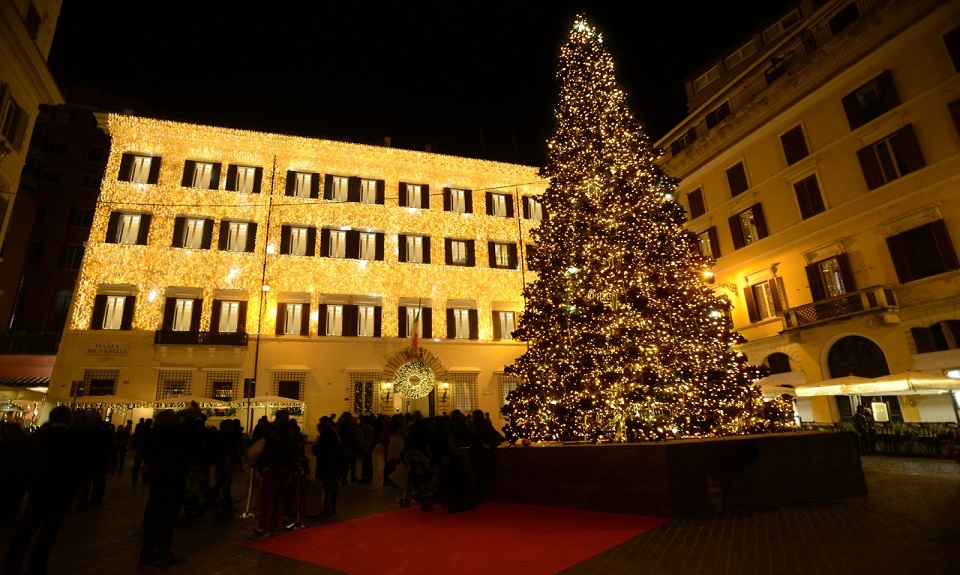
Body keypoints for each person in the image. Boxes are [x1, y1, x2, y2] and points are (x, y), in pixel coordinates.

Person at [3, 406, 82, 575]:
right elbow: (75, 468)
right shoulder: (72, 439)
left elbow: (30, 463)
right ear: (68, 419)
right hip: (60, 493)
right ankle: (37, 565)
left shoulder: (39, 437)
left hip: (38, 490)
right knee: (48, 533)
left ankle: (12, 562)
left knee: (26, 529)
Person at [138, 406, 202, 567]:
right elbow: (191, 437)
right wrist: (195, 416)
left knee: (155, 516)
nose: (176, 417)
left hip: (160, 479)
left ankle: (147, 554)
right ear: (166, 421)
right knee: (167, 517)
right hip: (172, 479)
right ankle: (162, 553)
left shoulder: (159, 433)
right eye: (173, 415)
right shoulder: (171, 434)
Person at [246, 410, 297, 541]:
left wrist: (262, 466)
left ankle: (262, 528)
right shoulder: (290, 432)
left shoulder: (270, 432)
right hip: (285, 467)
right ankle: (274, 526)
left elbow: (262, 448)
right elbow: (293, 450)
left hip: (274, 468)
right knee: (278, 499)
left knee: (268, 499)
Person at [310, 416, 346, 517]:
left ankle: (327, 507)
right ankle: (332, 506)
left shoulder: (325, 437)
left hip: (327, 466)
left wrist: (315, 446)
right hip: (335, 465)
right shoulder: (335, 436)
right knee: (333, 487)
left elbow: (320, 450)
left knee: (327, 487)